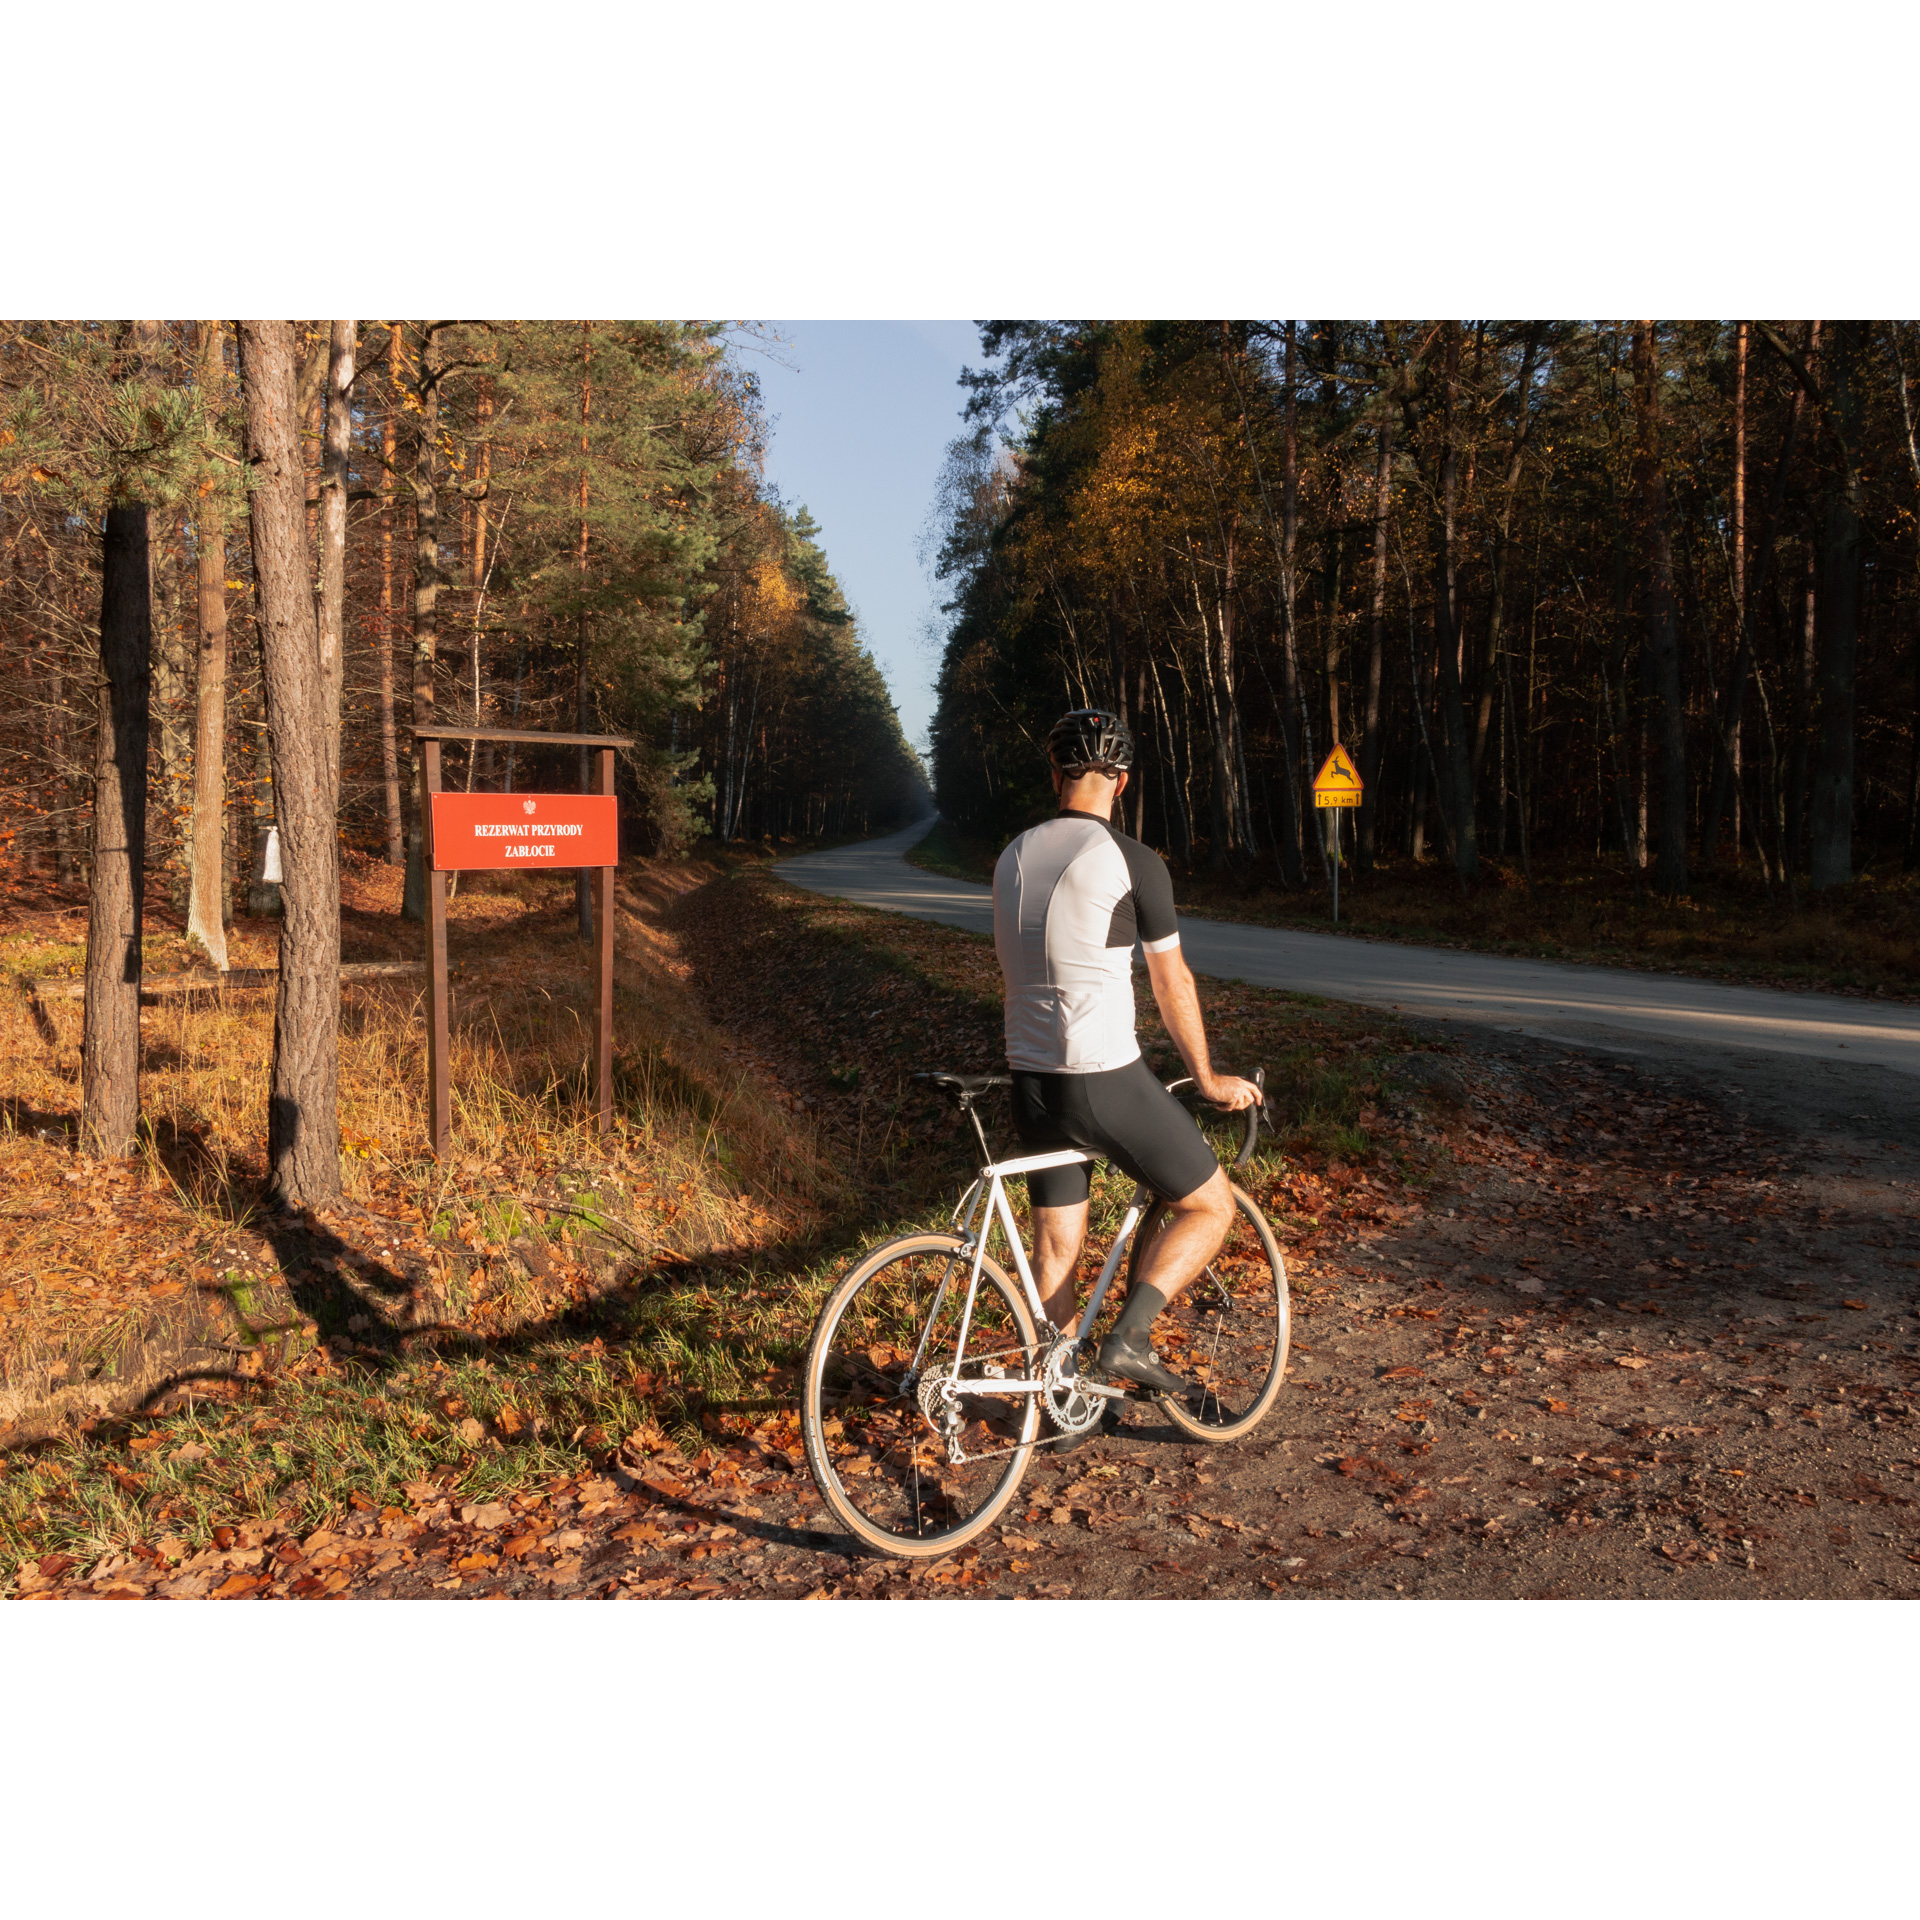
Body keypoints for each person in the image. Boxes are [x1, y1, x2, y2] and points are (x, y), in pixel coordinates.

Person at [991, 707, 1261, 1398]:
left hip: (1029, 1076)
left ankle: (1054, 1402)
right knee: (1209, 1206)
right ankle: (1131, 1339)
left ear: (1056, 775)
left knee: (1056, 1248)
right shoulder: (1132, 861)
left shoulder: (1011, 855)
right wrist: (1205, 1077)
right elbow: (1173, 981)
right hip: (1102, 1078)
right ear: (1123, 780)